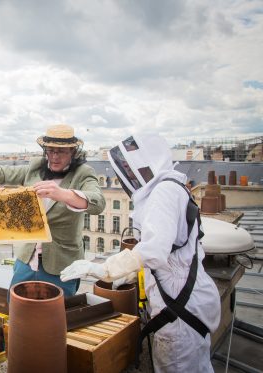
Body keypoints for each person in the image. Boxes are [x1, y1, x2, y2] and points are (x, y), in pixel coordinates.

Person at [60, 134, 220, 372]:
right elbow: (170, 253)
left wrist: (102, 269)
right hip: (186, 305)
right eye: (125, 168)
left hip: (180, 310)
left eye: (130, 167)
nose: (130, 174)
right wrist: (127, 276)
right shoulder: (171, 187)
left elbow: (154, 251)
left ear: (148, 161)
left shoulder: (164, 192)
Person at [0, 124, 105, 297]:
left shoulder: (83, 173)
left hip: (61, 264)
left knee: (57, 315)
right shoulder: (36, 167)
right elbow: (3, 171)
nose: (54, 157)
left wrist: (63, 194)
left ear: (73, 151)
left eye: (61, 152)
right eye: (50, 151)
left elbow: (98, 202)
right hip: (26, 260)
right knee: (18, 309)